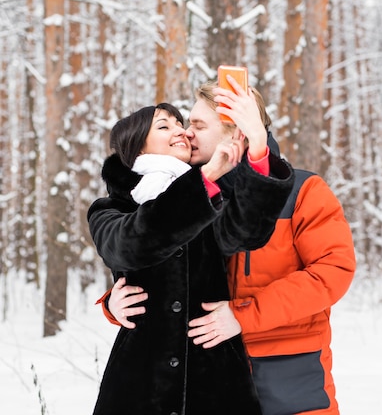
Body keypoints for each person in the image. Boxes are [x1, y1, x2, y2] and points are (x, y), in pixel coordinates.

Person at [100, 85, 357, 415]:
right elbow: (166, 268)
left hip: (285, 377)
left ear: (236, 132)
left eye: (198, 126)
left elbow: (331, 273)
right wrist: (114, 302)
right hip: (206, 384)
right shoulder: (186, 195)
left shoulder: (302, 191)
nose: (186, 134)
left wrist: (243, 314)